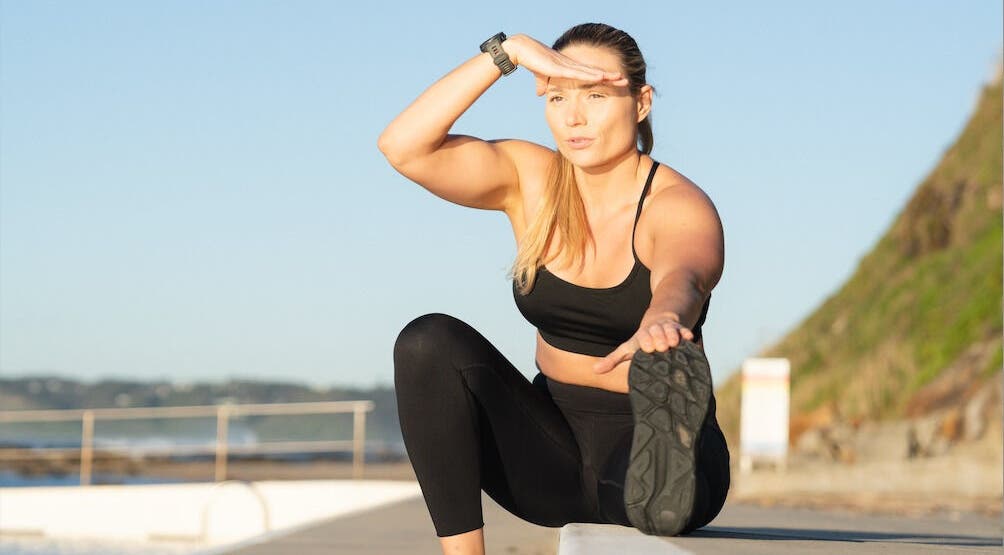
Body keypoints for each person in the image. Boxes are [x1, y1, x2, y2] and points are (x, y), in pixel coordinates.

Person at [379, 23, 729, 555]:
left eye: (595, 95)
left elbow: (684, 274)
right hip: (550, 447)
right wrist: (509, 52)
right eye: (558, 95)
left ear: (641, 102)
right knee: (427, 343)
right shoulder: (531, 179)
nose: (574, 116)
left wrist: (665, 317)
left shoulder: (676, 203)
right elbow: (403, 147)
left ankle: (667, 464)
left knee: (641, 494)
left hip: (647, 435)